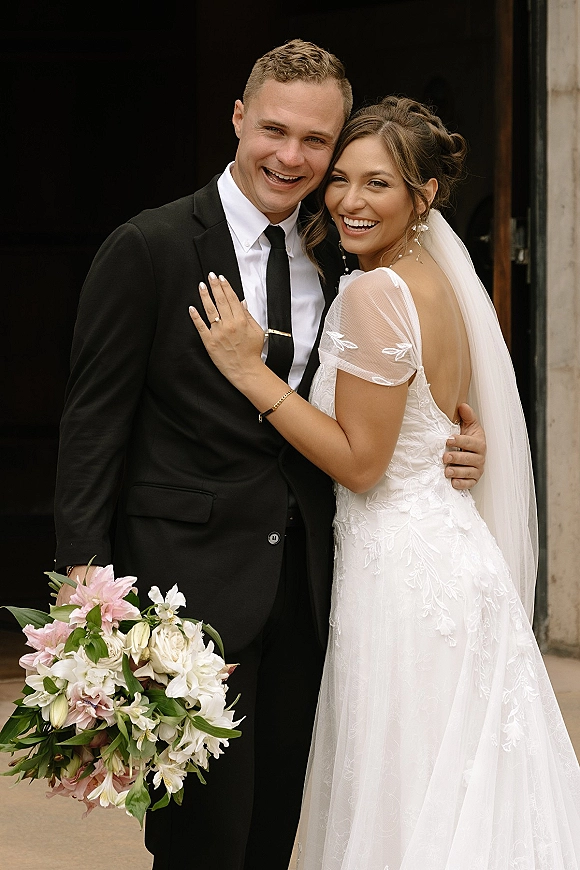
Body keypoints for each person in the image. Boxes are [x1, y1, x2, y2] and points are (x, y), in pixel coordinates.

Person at [54, 42, 486, 870]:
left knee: (276, 833)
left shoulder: (342, 249)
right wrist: (88, 596)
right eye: (275, 131)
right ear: (239, 118)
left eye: (316, 142)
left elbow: (387, 397)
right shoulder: (148, 248)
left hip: (318, 594)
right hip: (188, 598)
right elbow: (91, 431)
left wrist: (454, 443)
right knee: (199, 844)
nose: (292, 157)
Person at [190, 96, 580, 868]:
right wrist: (466, 443)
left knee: (407, 794)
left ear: (424, 195)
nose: (349, 201)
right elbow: (441, 420)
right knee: (465, 788)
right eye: (341, 179)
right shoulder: (433, 278)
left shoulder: (375, 292)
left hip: (403, 580)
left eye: (379, 185)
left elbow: (363, 466)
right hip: (451, 562)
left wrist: (250, 375)